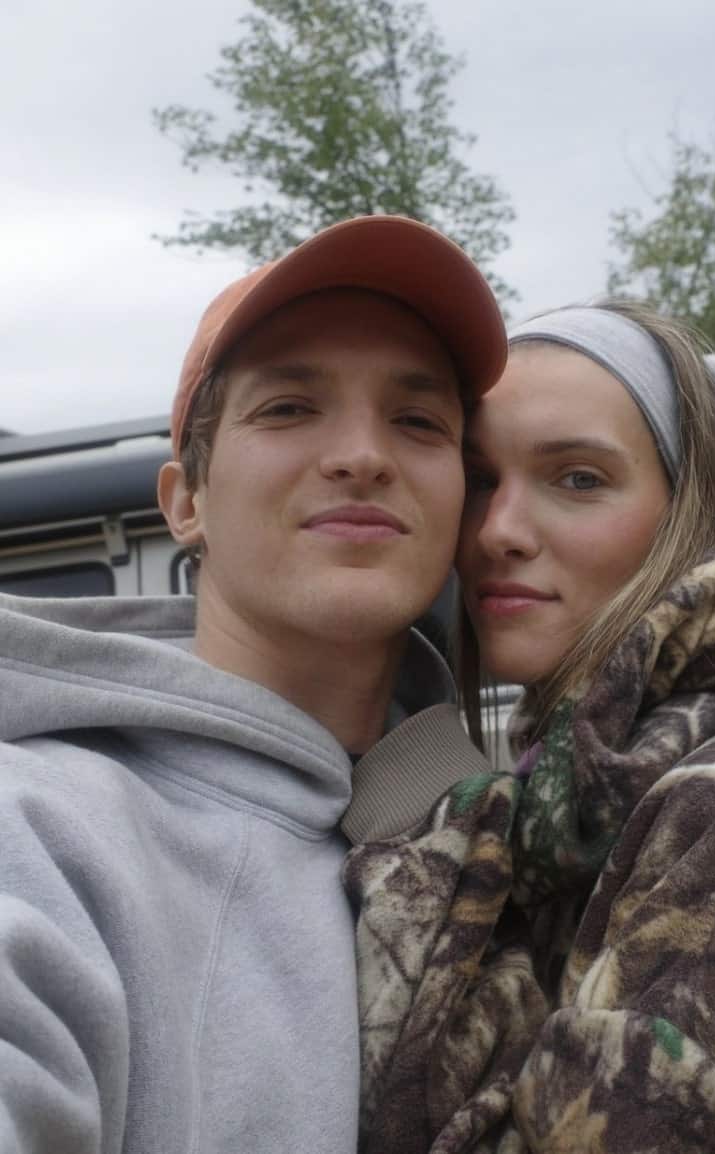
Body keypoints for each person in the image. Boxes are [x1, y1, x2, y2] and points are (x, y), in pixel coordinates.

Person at [0, 215, 507, 1154]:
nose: (363, 453)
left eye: (418, 420)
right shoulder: (44, 831)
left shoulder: (480, 816)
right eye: (286, 408)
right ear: (185, 501)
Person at [347, 300, 715, 1153]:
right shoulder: (584, 788)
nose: (497, 531)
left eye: (578, 479)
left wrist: (411, 831)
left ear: (691, 516)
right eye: (482, 478)